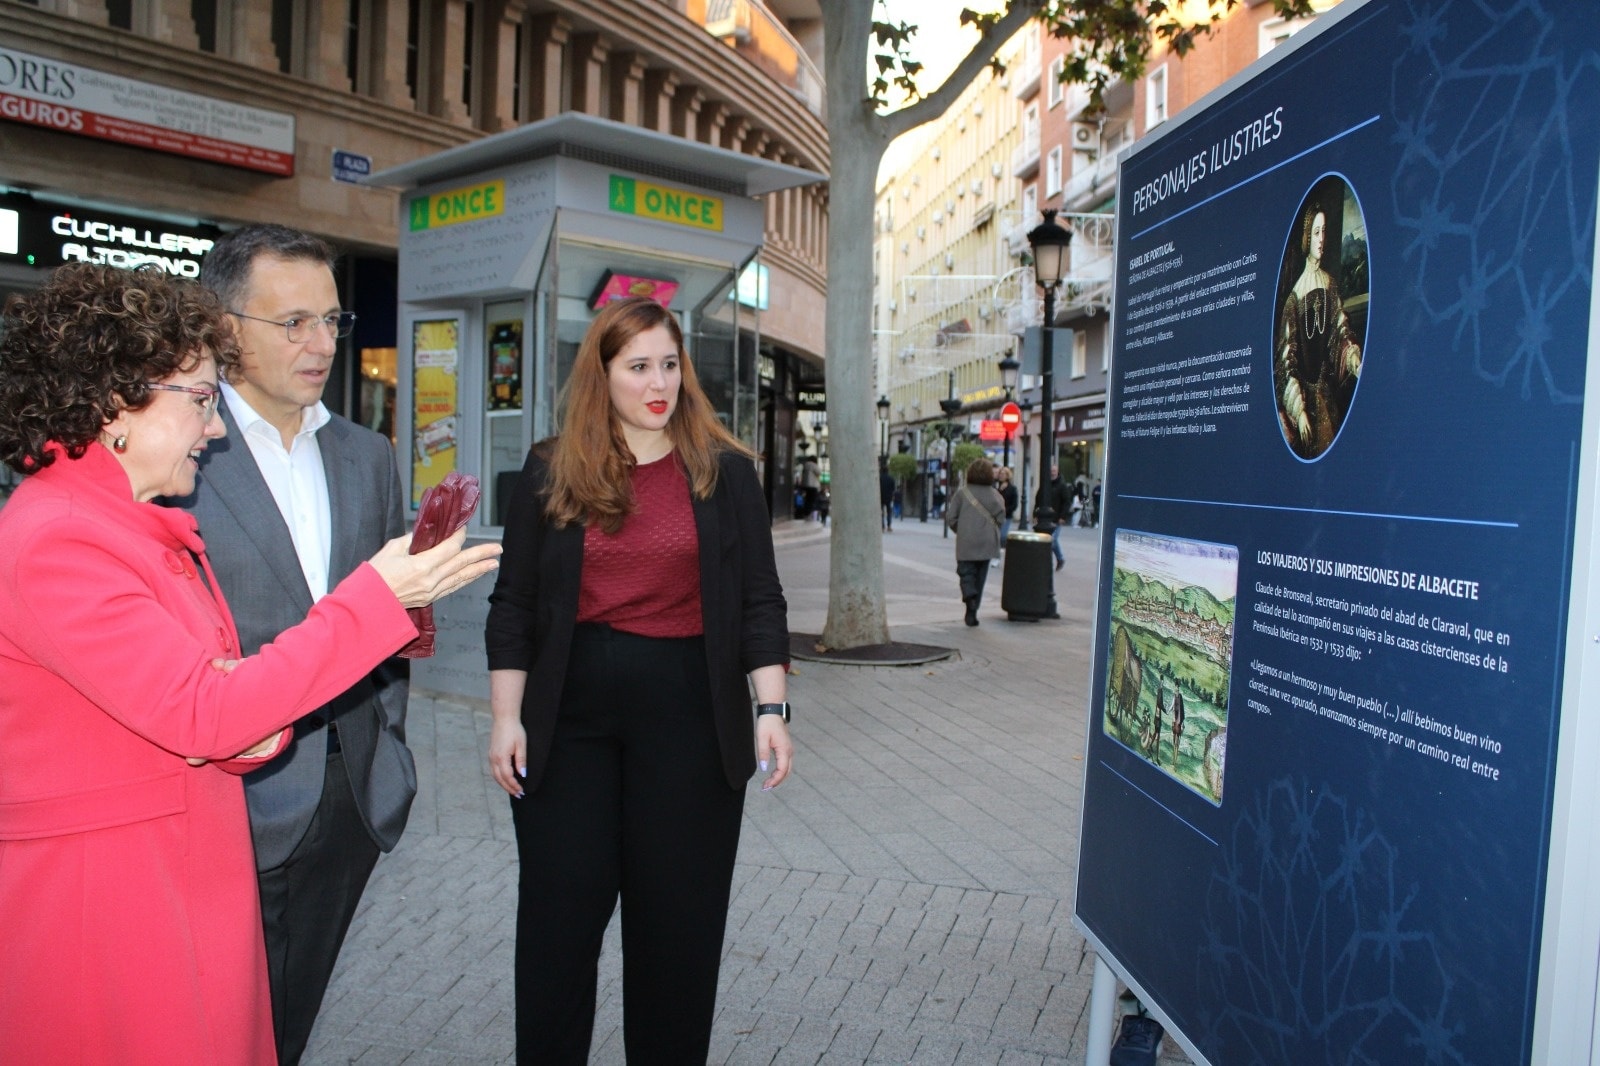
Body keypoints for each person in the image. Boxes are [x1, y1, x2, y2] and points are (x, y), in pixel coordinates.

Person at [0, 264, 500, 1064]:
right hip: (111, 913)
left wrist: (243, 717)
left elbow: (214, 700)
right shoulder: (62, 537)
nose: (217, 428)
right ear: (111, 405)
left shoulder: (121, 527)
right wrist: (376, 596)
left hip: (168, 884)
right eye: (199, 400)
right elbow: (206, 707)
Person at [484, 296, 792, 1063]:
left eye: (669, 363)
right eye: (638, 367)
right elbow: (513, 604)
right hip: (570, 713)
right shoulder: (552, 469)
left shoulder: (725, 472)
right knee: (559, 926)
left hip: (690, 714)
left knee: (676, 933)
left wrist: (772, 706)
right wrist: (505, 717)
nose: (659, 383)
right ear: (603, 374)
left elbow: (760, 599)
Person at [175, 223, 419, 1064]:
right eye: (295, 323)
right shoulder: (180, 451)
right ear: (226, 329)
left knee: (288, 1025)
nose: (321, 345)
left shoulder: (367, 455)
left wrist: (385, 743)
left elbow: (394, 622)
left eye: (332, 322)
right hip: (218, 804)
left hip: (349, 798)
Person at [1276, 204, 1362, 459]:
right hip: (1306, 403)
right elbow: (1286, 361)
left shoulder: (1330, 284)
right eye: (1316, 232)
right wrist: (1299, 412)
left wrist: (1353, 357)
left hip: (1327, 394)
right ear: (1307, 238)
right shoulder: (1294, 299)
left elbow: (1340, 329)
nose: (1321, 239)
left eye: (1324, 231)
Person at [945, 458, 1006, 626]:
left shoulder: (962, 493)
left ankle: (969, 595)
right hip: (987, 541)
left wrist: (962, 529)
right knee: (980, 576)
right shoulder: (995, 495)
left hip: (966, 540)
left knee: (966, 572)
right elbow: (1001, 517)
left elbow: (950, 518)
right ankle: (972, 612)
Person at [1037, 463, 1073, 572]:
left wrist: (1063, 516)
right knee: (1047, 540)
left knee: (1052, 540)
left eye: (1054, 471)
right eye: (1051, 471)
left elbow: (1067, 502)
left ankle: (1059, 559)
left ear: (1057, 472)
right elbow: (1038, 498)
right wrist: (1036, 513)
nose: (1052, 473)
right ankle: (1055, 559)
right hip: (1045, 518)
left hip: (1056, 518)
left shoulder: (1062, 486)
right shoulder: (1045, 484)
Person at [997, 466, 1019, 545]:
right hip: (997, 515)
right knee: (997, 535)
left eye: (1003, 474)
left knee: (1003, 535)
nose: (1001, 475)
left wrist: (1006, 510)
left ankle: (1003, 549)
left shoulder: (1012, 488)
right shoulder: (996, 487)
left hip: (1007, 515)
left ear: (1007, 475)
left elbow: (1015, 504)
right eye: (1000, 474)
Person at [880, 461, 896, 531]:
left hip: (880, 497)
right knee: (889, 512)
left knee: (881, 512)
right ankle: (889, 526)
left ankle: (882, 526)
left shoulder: (879, 478)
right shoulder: (891, 478)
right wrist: (892, 496)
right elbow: (893, 489)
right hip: (889, 497)